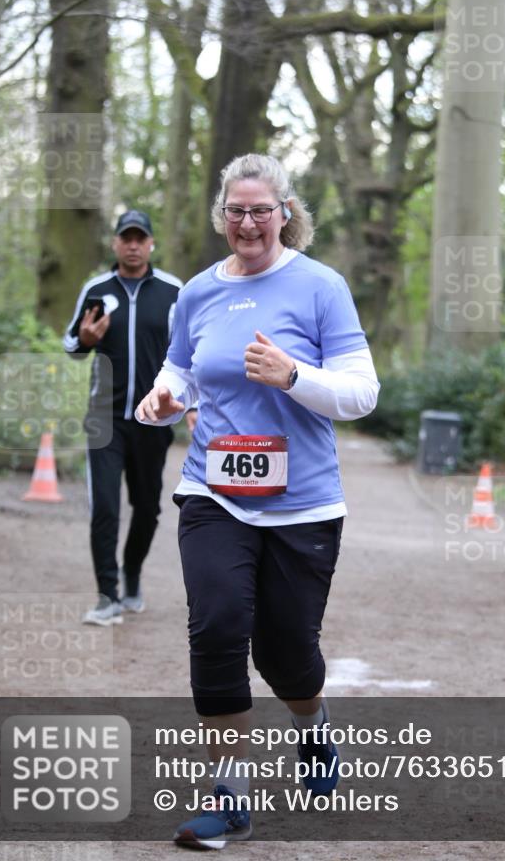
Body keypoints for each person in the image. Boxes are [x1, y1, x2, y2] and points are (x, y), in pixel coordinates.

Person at [136, 154, 379, 849]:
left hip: (303, 503)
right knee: (215, 630)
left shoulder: (320, 286)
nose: (248, 223)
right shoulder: (198, 293)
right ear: (223, 215)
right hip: (214, 492)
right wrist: (164, 398)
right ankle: (230, 799)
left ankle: (311, 725)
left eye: (261, 211)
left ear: (284, 213)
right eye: (236, 211)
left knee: (286, 655)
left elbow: (362, 393)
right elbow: (182, 367)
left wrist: (293, 374)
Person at [64, 209, 189, 626]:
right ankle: (107, 597)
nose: (133, 245)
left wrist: (191, 406)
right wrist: (84, 340)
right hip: (104, 419)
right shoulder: (97, 289)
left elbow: (189, 353)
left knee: (147, 508)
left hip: (153, 419)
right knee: (104, 506)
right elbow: (71, 344)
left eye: (140, 238)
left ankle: (131, 571)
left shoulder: (173, 291)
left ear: (151, 243)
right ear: (116, 243)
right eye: (126, 238)